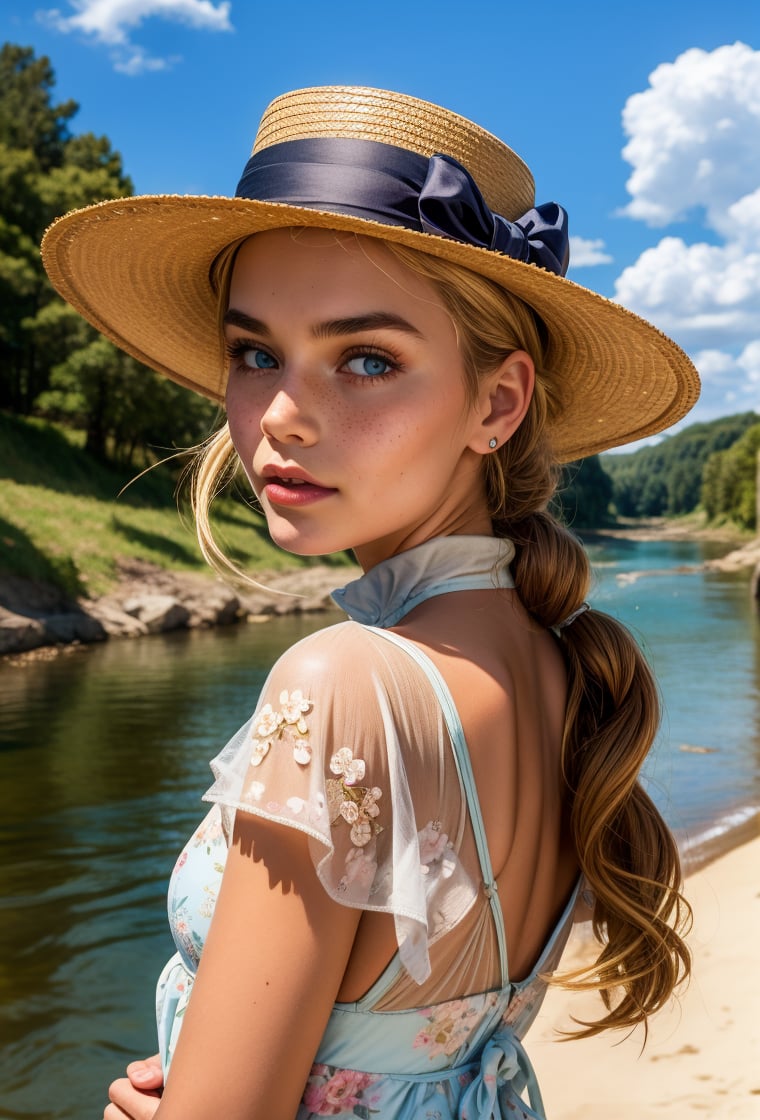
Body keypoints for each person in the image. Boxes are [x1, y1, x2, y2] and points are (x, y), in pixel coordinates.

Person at [41, 85, 696, 1120]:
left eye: (366, 360)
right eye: (256, 353)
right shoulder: (565, 670)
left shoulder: (345, 679)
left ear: (497, 401)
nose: (283, 417)